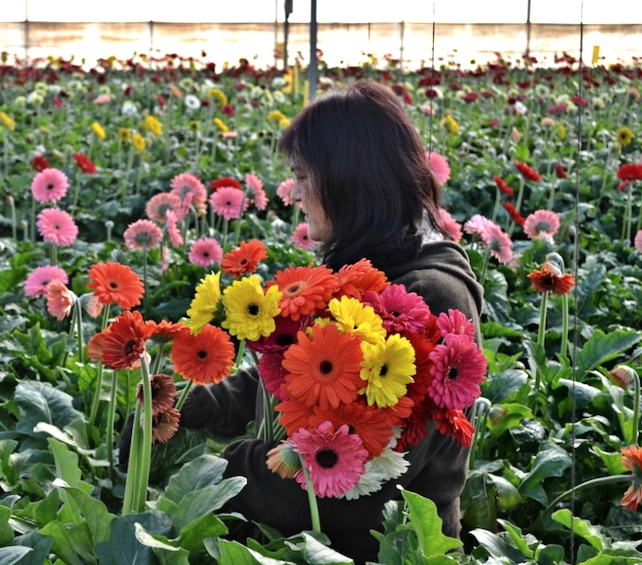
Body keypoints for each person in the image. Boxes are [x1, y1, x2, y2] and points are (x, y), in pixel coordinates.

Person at [176, 82, 484, 563]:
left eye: (302, 176)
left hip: (390, 551)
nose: (293, 193)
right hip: (310, 541)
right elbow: (293, 380)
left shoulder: (429, 298)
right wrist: (183, 406)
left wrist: (227, 469)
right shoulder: (365, 271)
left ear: (348, 178)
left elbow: (352, 472)